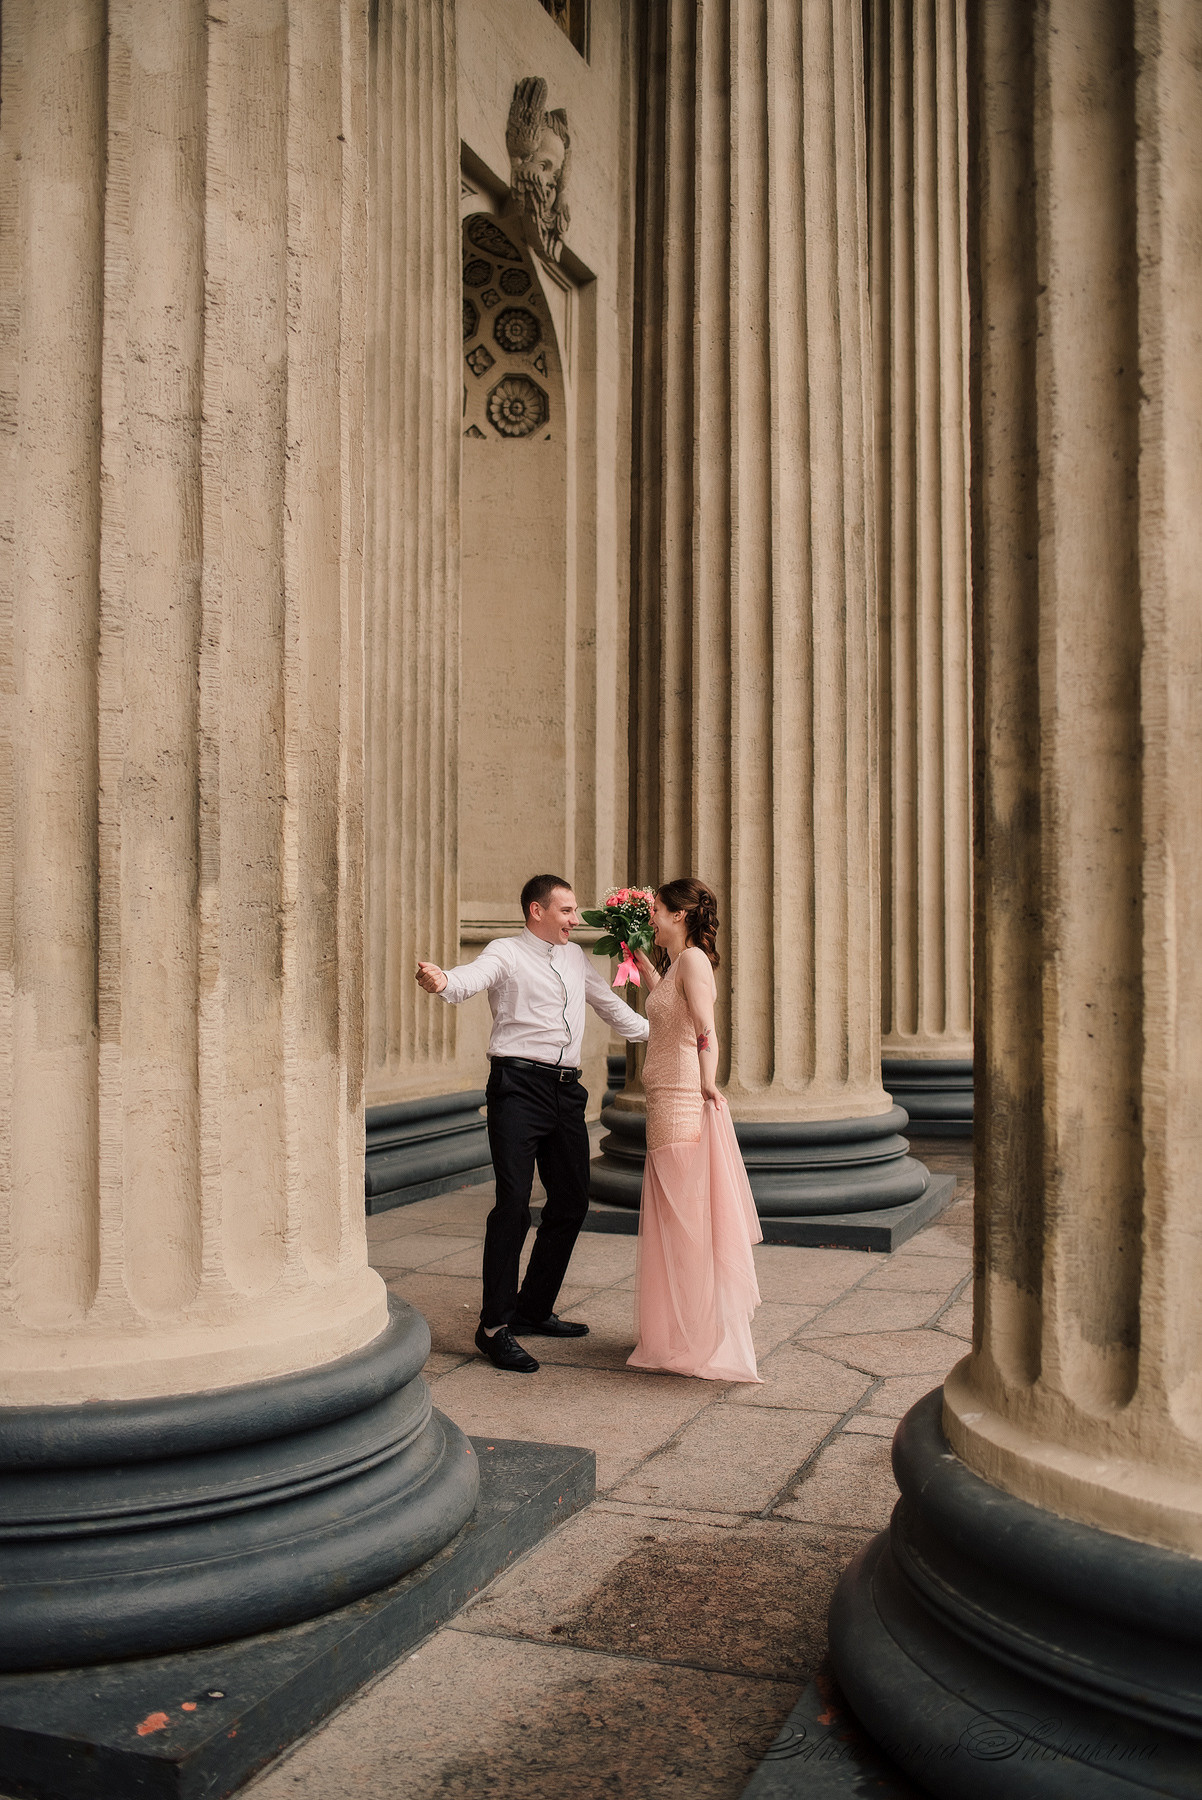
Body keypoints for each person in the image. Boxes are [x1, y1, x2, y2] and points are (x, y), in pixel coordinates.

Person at [415, 875, 649, 1374]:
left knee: (571, 1202)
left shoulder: (575, 959)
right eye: (565, 910)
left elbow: (610, 1007)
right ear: (535, 910)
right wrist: (443, 981)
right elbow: (470, 978)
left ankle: (532, 1309)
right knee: (513, 1206)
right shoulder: (506, 952)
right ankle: (494, 1327)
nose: (574, 919)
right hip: (517, 1088)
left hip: (567, 1090)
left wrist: (664, 1031)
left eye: (575, 909)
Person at [627, 878, 762, 1381]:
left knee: (687, 1219)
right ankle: (682, 1327)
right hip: (662, 1100)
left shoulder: (694, 962)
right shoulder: (673, 965)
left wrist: (708, 1084)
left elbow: (706, 1032)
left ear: (680, 915)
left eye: (657, 911)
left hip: (683, 1099)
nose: (653, 919)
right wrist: (637, 957)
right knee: (672, 1216)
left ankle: (700, 1332)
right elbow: (666, 1006)